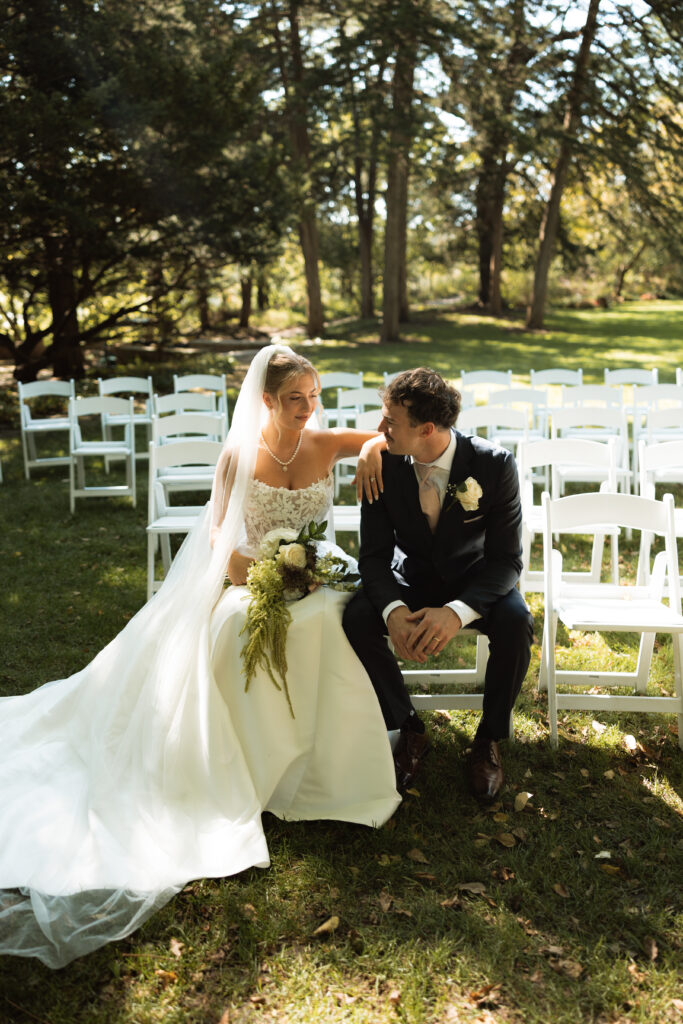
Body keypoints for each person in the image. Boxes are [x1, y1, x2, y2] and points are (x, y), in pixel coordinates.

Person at [0, 344, 399, 969]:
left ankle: (328, 768)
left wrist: (373, 448)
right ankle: (250, 766)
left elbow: (382, 435)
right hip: (249, 575)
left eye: (314, 396)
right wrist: (255, 570)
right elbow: (219, 535)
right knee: (239, 628)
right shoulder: (238, 454)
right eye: (296, 398)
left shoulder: (321, 442)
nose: (308, 408)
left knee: (332, 618)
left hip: (320, 576)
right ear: (266, 400)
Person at [342, 367, 533, 801]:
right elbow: (372, 556)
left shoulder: (494, 464)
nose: (378, 429)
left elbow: (507, 561)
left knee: (516, 621)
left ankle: (487, 740)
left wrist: (457, 612)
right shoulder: (382, 463)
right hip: (411, 578)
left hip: (475, 581)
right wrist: (392, 612)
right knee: (356, 615)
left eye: (389, 422)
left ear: (426, 429)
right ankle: (408, 727)